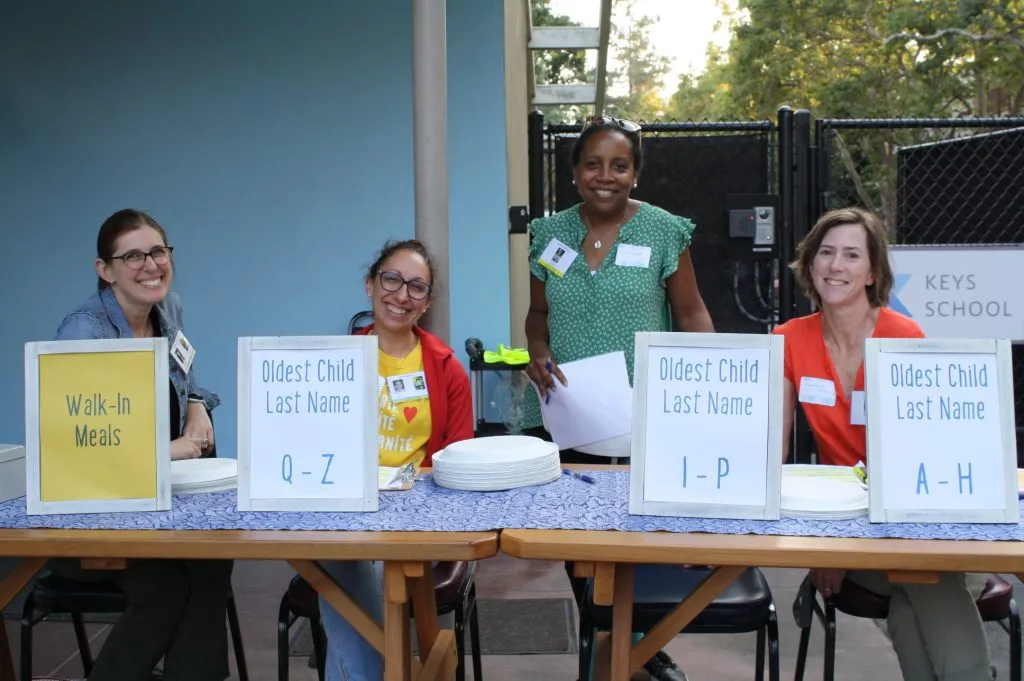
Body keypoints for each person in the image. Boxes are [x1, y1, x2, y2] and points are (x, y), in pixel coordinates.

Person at [524, 115, 714, 681]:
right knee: (578, 548)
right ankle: (621, 649)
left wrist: (703, 384)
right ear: (574, 171)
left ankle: (626, 653)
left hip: (641, 416)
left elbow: (691, 314)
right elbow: (538, 313)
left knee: (630, 543)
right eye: (593, 164)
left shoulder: (663, 231)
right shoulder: (549, 234)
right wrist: (537, 348)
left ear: (635, 175)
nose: (604, 176)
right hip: (568, 415)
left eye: (618, 165)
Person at [774, 207, 993, 681]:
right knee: (926, 578)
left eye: (852, 255)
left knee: (919, 579)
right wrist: (826, 550)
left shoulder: (904, 335)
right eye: (826, 253)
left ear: (873, 272)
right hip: (852, 529)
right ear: (810, 263)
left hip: (917, 517)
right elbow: (774, 450)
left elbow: (929, 448)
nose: (836, 265)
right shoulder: (788, 339)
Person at [51, 208, 234, 681]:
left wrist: (198, 403)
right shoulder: (84, 332)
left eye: (158, 251)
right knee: (169, 586)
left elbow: (185, 375)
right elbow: (72, 450)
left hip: (155, 504)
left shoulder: (168, 308)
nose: (151, 265)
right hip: (90, 517)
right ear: (105, 270)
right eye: (133, 256)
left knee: (213, 561)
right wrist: (162, 451)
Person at [319, 239, 473, 680]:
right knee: (341, 554)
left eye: (416, 287)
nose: (402, 295)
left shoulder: (445, 368)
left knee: (343, 569)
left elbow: (459, 462)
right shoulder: (333, 363)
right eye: (391, 280)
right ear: (370, 285)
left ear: (427, 302)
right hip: (348, 511)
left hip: (416, 518)